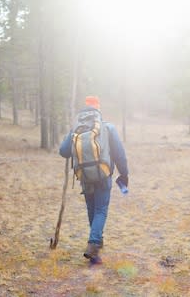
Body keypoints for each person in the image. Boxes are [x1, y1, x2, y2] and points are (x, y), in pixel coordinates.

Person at [59, 96, 129, 264]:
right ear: (98, 110)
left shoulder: (76, 129)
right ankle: (94, 243)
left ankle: (95, 246)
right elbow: (119, 154)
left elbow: (63, 151)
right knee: (101, 210)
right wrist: (124, 174)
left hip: (84, 177)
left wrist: (71, 139)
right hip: (103, 175)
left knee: (92, 209)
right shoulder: (107, 127)